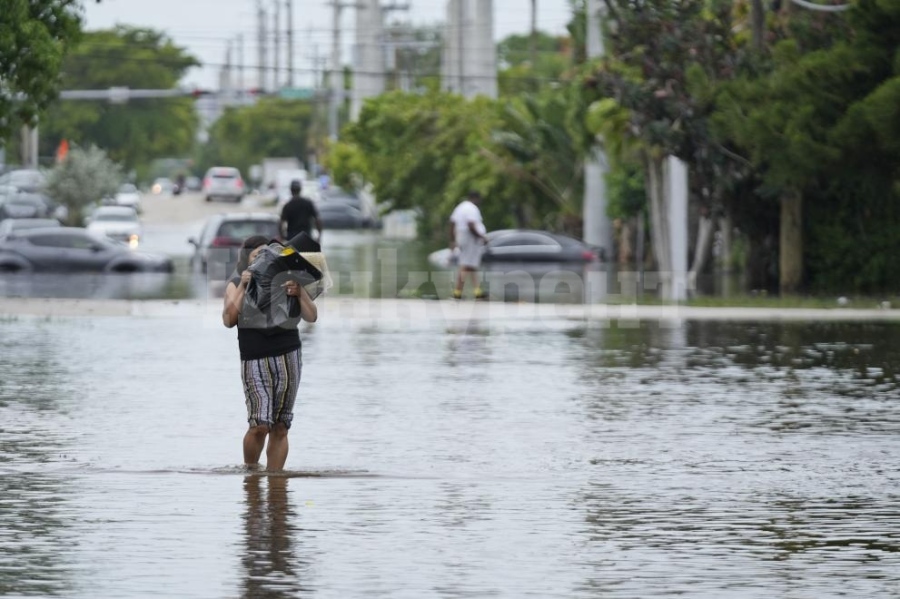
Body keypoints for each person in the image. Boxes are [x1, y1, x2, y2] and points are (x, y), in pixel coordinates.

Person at [222, 235, 318, 471]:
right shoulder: (236, 282)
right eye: (257, 255)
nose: (265, 259)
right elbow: (228, 319)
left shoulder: (288, 280)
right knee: (259, 424)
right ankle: (251, 474)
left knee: (280, 425)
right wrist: (245, 284)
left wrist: (299, 293)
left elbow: (311, 316)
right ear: (247, 260)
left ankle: (276, 482)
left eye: (268, 254)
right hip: (254, 357)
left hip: (288, 354)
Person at [449, 190, 489, 300]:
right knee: (466, 265)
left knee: (472, 265)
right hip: (470, 237)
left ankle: (477, 291)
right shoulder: (472, 208)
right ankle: (457, 292)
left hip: (461, 236)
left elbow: (452, 224)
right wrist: (481, 237)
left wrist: (452, 240)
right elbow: (471, 225)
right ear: (476, 198)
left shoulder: (460, 207)